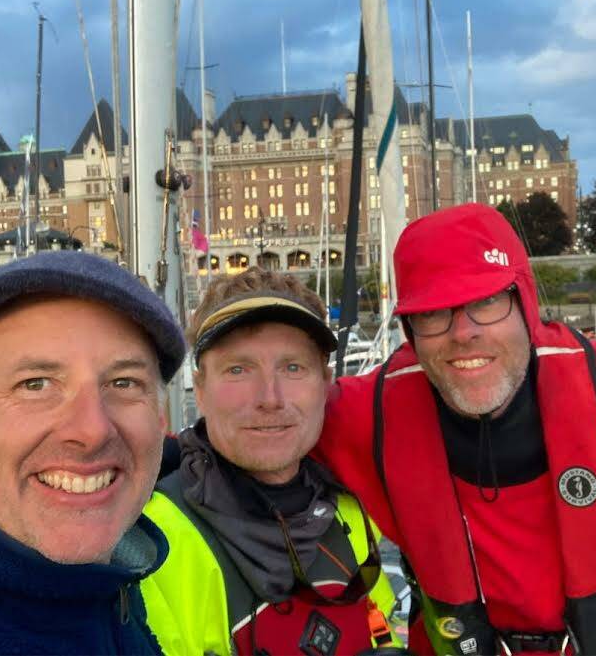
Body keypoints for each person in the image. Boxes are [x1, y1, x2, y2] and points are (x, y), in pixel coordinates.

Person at [317, 204, 596, 655]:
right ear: (411, 331)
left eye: (488, 301)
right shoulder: (362, 414)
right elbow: (267, 420)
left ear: (525, 304)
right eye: (434, 313)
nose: (464, 333)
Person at [0, 251, 187, 654]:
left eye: (123, 383)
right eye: (35, 384)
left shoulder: (119, 586)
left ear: (160, 422)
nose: (92, 430)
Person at [141, 267, 402, 656]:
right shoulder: (154, 544)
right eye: (239, 369)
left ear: (326, 384)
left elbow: (381, 629)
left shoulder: (350, 512)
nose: (270, 397)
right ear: (202, 387)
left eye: (293, 368)